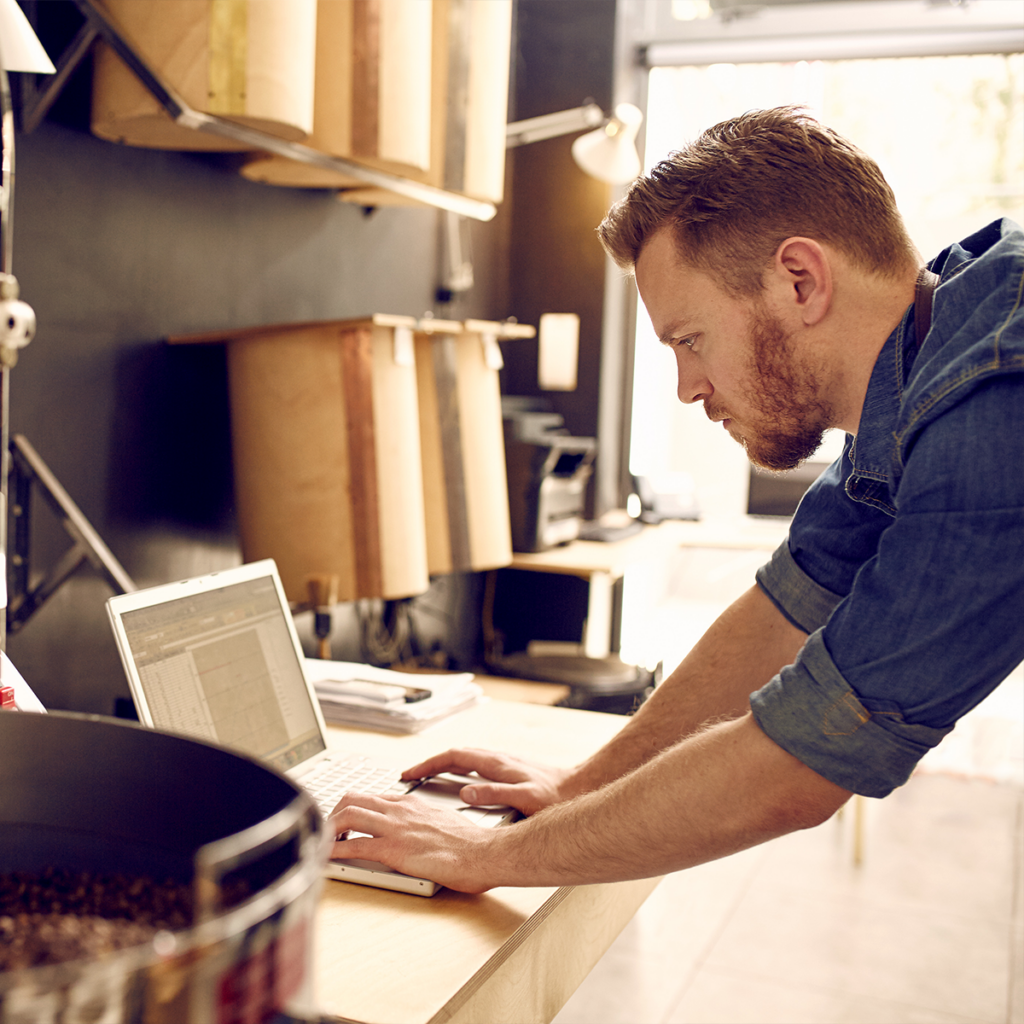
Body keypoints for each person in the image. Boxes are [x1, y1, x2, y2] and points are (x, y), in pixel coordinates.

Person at [330, 107, 1024, 894]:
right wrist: (578, 786)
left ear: (801, 279)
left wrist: (481, 856)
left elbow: (807, 759)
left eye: (689, 340)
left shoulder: (994, 401)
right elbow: (786, 606)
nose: (689, 388)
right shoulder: (936, 339)